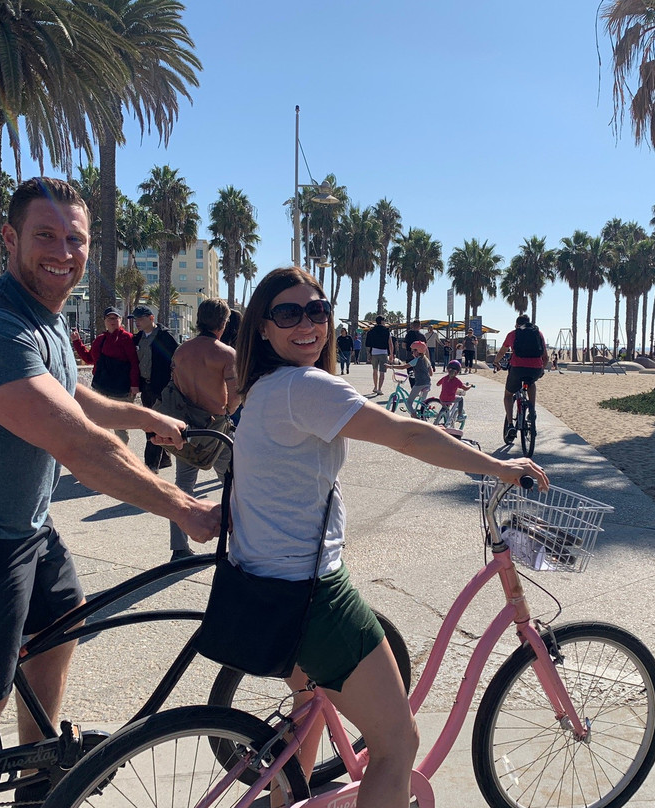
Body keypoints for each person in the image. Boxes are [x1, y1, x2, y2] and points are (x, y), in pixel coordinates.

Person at [0, 177, 221, 808]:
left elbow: (69, 396)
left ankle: (38, 783)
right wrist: (187, 508)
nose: (62, 251)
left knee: (63, 621)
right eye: (46, 235)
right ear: (10, 238)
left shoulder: (39, 320)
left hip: (26, 537)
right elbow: (79, 447)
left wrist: (144, 417)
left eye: (76, 239)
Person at [229, 266, 546, 807]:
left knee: (308, 714)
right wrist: (496, 466)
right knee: (398, 742)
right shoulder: (304, 386)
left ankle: (284, 799)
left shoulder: (259, 389)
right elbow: (405, 433)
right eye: (287, 313)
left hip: (257, 588)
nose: (307, 324)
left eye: (317, 311)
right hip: (310, 596)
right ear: (262, 327)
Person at [164, 298, 239, 561]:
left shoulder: (182, 351)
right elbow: (236, 393)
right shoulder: (225, 354)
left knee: (183, 486)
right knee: (235, 482)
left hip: (185, 427)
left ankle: (179, 548)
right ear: (223, 322)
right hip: (215, 429)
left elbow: (174, 384)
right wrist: (228, 411)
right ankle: (241, 541)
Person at [70, 306, 139, 444]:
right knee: (98, 422)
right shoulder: (100, 339)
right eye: (109, 318)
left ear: (121, 320)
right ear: (105, 321)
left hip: (121, 389)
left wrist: (134, 385)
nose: (112, 321)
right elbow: (90, 358)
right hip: (101, 387)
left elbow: (134, 363)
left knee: (119, 425)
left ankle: (121, 453)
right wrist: (77, 342)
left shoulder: (128, 338)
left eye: (115, 318)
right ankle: (103, 452)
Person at [132, 304, 178, 471]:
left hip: (162, 387)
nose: (137, 321)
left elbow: (178, 357)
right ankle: (164, 459)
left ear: (151, 318)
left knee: (153, 424)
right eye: (135, 319)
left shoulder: (165, 337)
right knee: (150, 423)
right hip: (146, 387)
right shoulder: (137, 339)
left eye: (141, 318)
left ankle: (151, 465)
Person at [493, 314, 548, 443]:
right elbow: (545, 357)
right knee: (531, 383)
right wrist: (541, 370)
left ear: (516, 324)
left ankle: (511, 425)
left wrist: (496, 362)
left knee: (508, 395)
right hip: (535, 368)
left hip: (517, 368)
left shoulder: (513, 334)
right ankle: (532, 410)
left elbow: (501, 352)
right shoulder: (538, 333)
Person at [389, 340, 432, 417]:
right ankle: (423, 415)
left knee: (409, 402)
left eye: (413, 351)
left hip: (420, 384)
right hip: (427, 383)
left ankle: (414, 417)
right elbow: (431, 373)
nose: (412, 353)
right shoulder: (426, 360)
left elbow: (403, 367)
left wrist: (391, 366)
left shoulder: (416, 360)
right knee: (422, 403)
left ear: (417, 351)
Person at [365, 314, 393, 395]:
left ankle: (375, 387)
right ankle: (380, 389)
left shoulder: (371, 331)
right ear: (382, 321)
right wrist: (391, 354)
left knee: (375, 370)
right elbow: (390, 343)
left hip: (374, 352)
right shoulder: (387, 331)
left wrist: (368, 354)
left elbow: (368, 344)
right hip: (383, 352)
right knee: (382, 372)